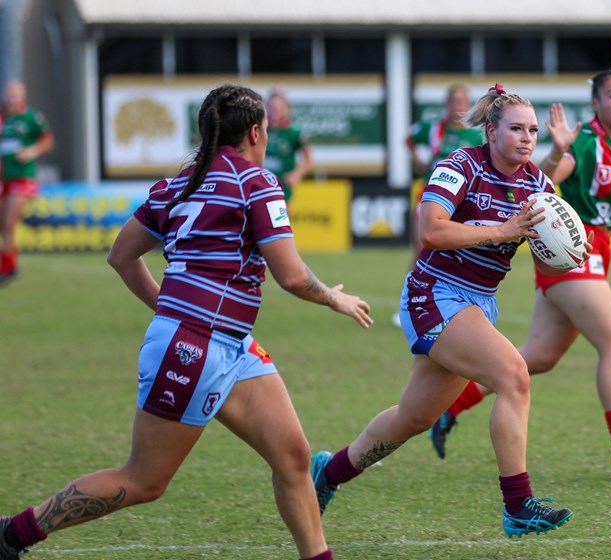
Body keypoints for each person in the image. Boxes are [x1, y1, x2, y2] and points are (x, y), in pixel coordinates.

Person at [0, 84, 373, 560]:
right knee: (143, 480)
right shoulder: (257, 182)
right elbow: (293, 277)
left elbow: (121, 256)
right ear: (257, 132)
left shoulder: (180, 183)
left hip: (228, 345)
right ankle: (13, 534)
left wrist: (168, 309)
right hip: (195, 346)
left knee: (294, 457)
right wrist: (333, 300)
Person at [309, 84, 593, 538]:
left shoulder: (538, 185)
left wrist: (568, 249)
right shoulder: (460, 165)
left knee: (414, 418)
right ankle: (518, 506)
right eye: (516, 128)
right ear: (491, 130)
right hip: (435, 292)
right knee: (513, 376)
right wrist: (501, 230)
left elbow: (541, 252)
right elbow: (432, 232)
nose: (526, 138)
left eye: (533, 131)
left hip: (479, 301)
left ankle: (329, 472)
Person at [429, 70, 611, 479]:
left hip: (598, 249)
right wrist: (556, 153)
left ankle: (449, 410)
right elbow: (543, 184)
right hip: (570, 247)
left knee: (540, 357)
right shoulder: (585, 143)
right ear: (596, 104)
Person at [392, 85, 485, 327]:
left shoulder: (476, 135)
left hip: (461, 203)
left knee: (457, 254)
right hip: (430, 196)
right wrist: (420, 161)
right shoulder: (434, 128)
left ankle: (453, 304)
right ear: (447, 104)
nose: (457, 106)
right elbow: (408, 138)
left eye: (462, 101)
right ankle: (409, 302)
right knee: (422, 248)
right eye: (454, 100)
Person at [0, 80, 54, 284]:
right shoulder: (4, 118)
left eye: (14, 93)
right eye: (8, 93)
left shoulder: (31, 117)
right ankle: (11, 265)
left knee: (8, 222)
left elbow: (48, 140)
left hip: (22, 178)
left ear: (23, 96)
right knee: (3, 225)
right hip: (4, 179)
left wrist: (30, 152)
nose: (11, 96)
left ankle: (6, 268)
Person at [264, 90, 313, 210]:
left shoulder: (294, 132)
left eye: (277, 108)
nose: (274, 111)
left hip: (282, 187)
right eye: (271, 107)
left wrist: (296, 174)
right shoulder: (260, 130)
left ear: (285, 109)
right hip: (260, 184)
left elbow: (308, 160)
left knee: (280, 223)